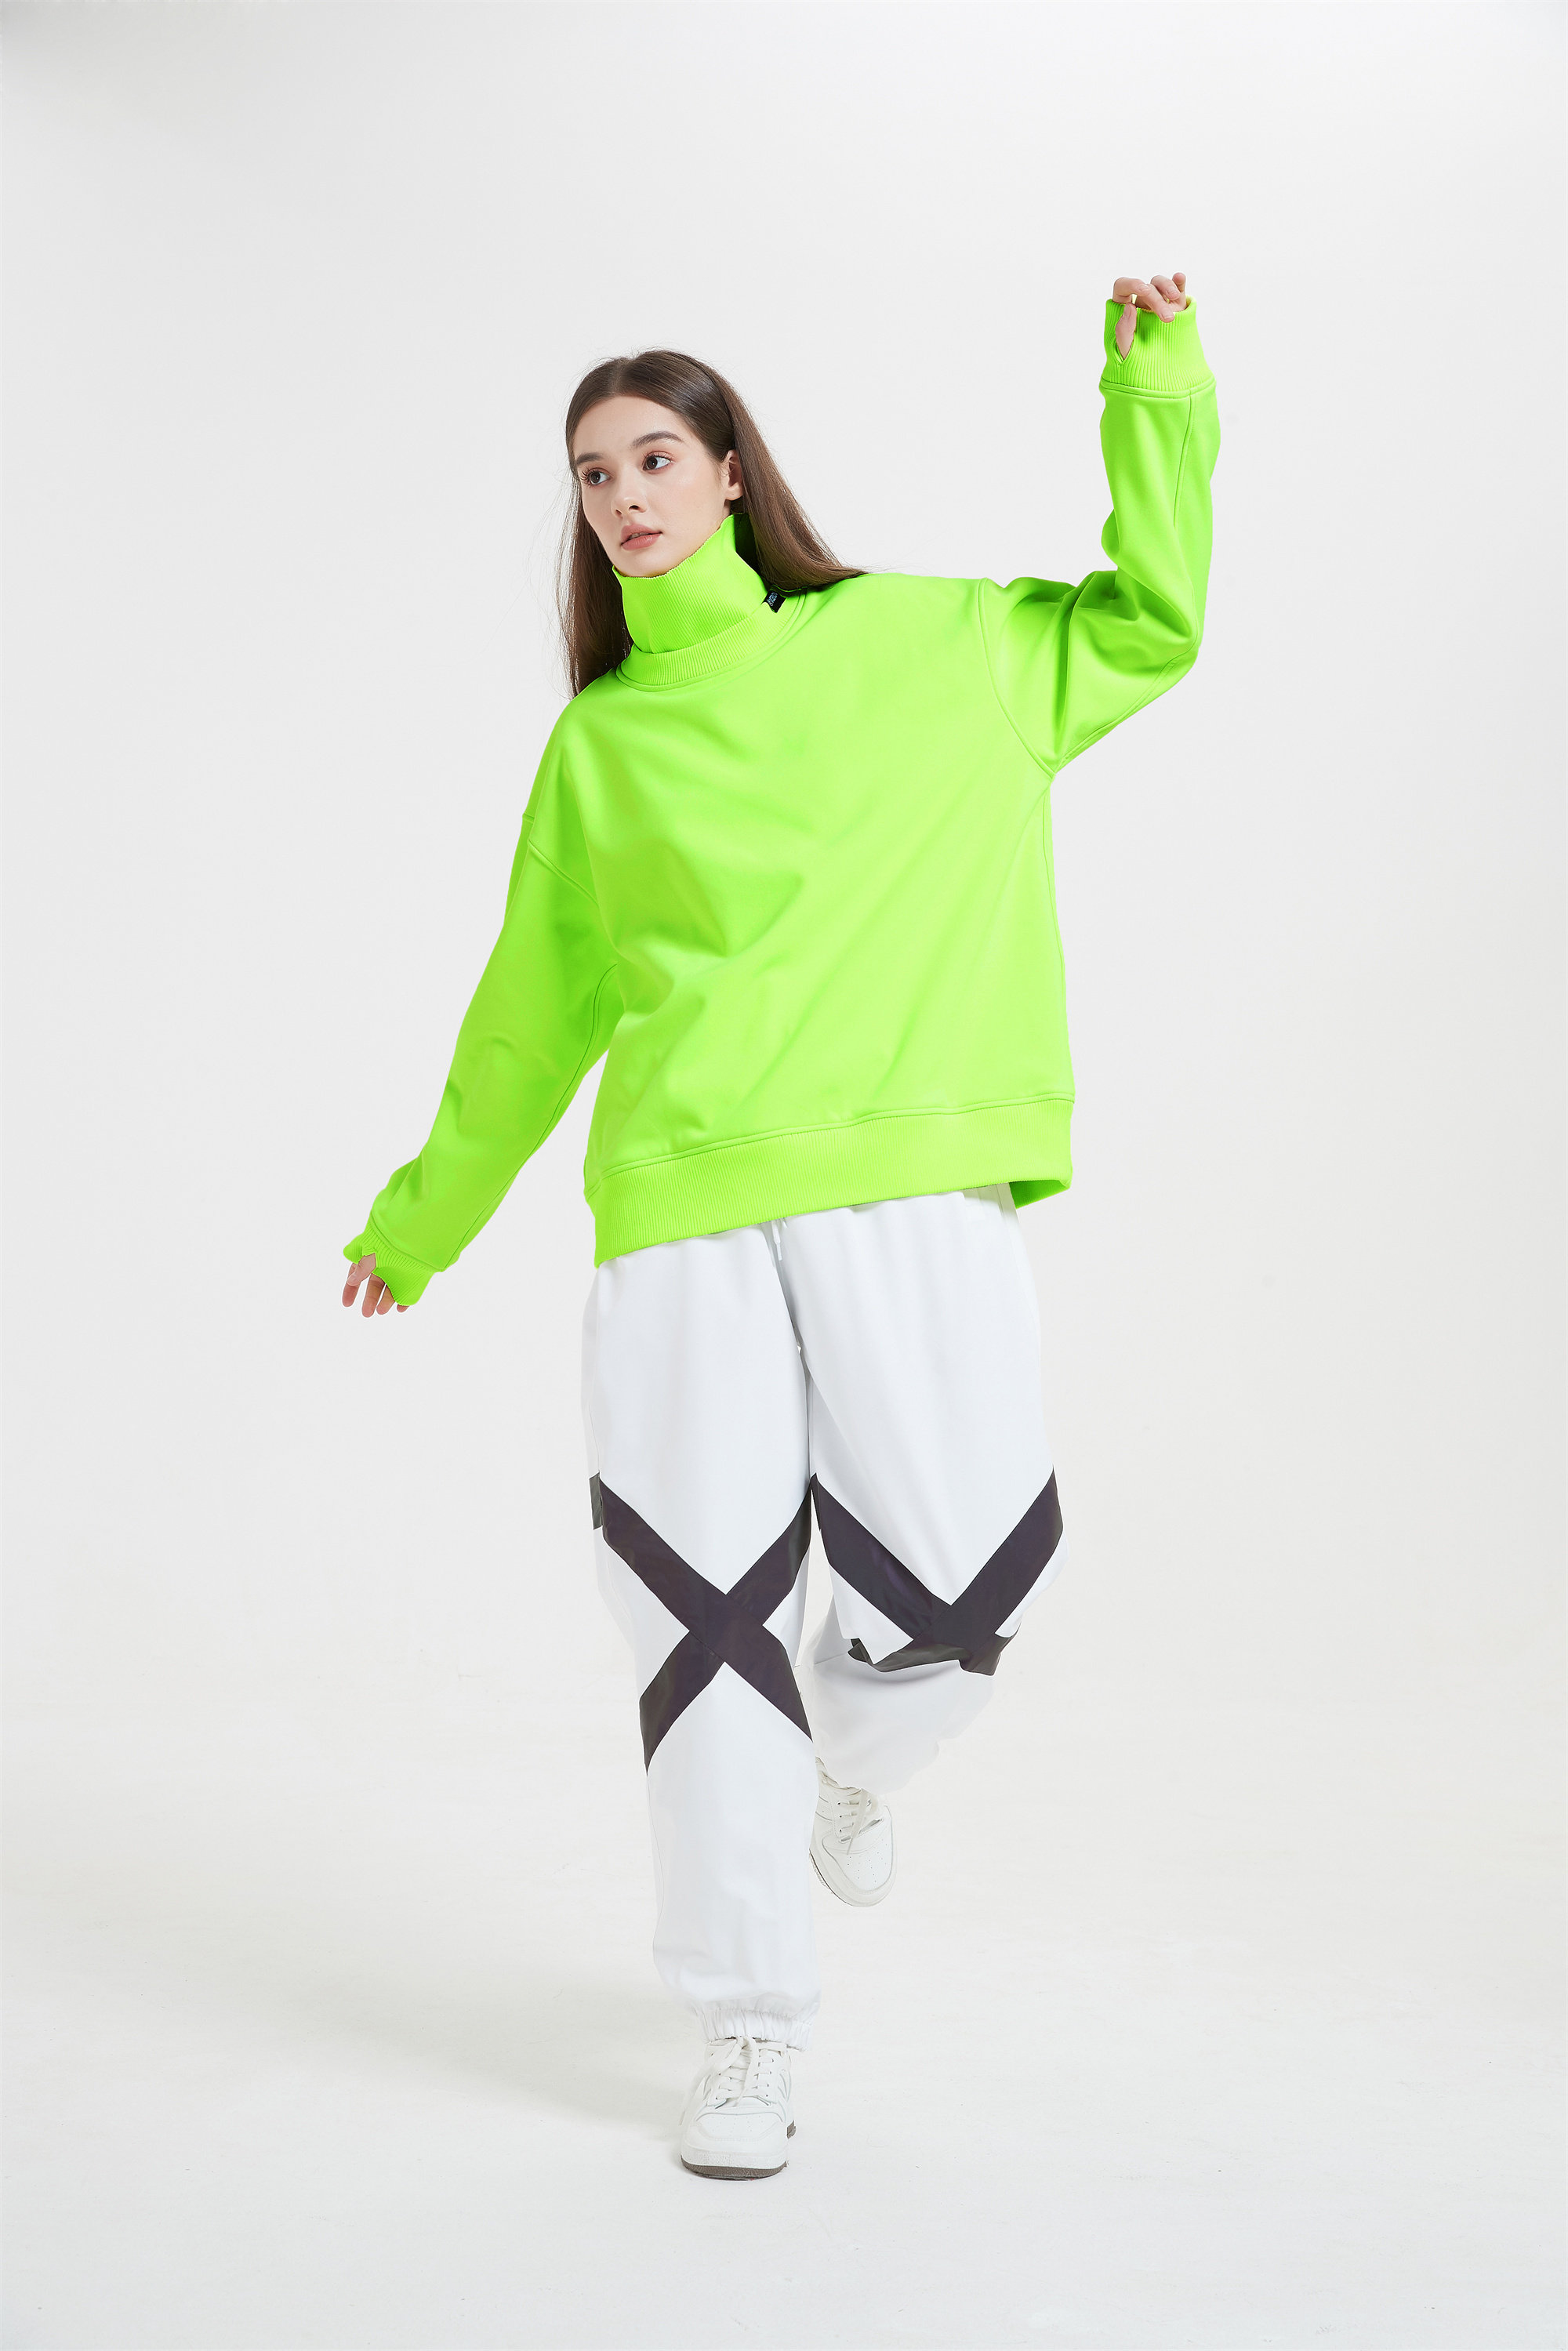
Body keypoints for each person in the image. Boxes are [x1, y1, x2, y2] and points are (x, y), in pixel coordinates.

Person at [342, 274, 1220, 2180]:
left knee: (969, 1586)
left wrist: (1152, 385)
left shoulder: (929, 645)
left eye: (655, 458)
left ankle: (843, 1754)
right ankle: (748, 2025)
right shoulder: (604, 746)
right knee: (702, 1618)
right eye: (593, 475)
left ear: (732, 472)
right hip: (682, 1208)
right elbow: (532, 1015)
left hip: (910, 1171)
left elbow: (1150, 620)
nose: (623, 498)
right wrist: (423, 1221)